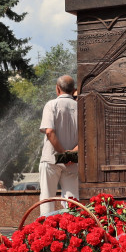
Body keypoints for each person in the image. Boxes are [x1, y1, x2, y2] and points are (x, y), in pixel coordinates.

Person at [38, 75, 79, 216]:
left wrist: (62, 154)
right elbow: (87, 137)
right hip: (72, 162)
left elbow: (49, 132)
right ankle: (73, 232)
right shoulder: (81, 107)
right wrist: (70, 154)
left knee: (47, 199)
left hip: (51, 159)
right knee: (72, 201)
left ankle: (45, 231)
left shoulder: (51, 105)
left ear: (57, 88)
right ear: (73, 90)